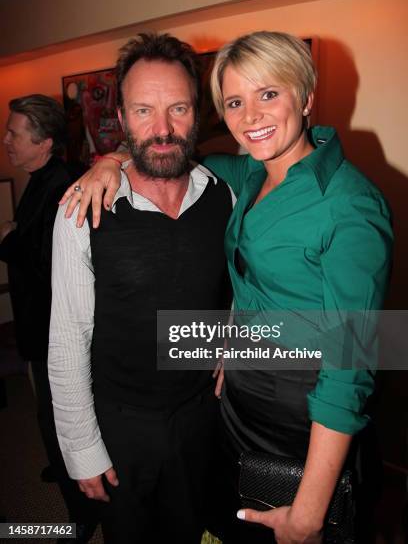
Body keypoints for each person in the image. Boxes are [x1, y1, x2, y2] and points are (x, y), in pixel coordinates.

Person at [62, 31, 393, 543]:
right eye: (236, 101)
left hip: (304, 418)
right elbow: (163, 151)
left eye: (269, 94)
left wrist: (307, 514)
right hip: (233, 409)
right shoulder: (243, 174)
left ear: (305, 96)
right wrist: (108, 161)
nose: (252, 116)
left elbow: (352, 361)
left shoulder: (351, 204)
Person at [48, 33, 233, 544]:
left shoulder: (224, 195)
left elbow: (236, 282)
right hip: (120, 427)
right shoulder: (81, 210)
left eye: (178, 108)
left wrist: (232, 340)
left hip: (202, 416)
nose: (163, 129)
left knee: (194, 530)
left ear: (198, 113)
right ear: (123, 121)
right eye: (144, 111)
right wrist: (81, 449)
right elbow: (66, 340)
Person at [0, 94, 99, 542]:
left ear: (44, 143)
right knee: (48, 412)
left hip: (52, 327)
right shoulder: (42, 177)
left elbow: (47, 262)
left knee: (55, 415)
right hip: (38, 322)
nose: (6, 141)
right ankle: (63, 467)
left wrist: (7, 240)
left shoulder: (61, 183)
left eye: (14, 134)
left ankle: (82, 512)